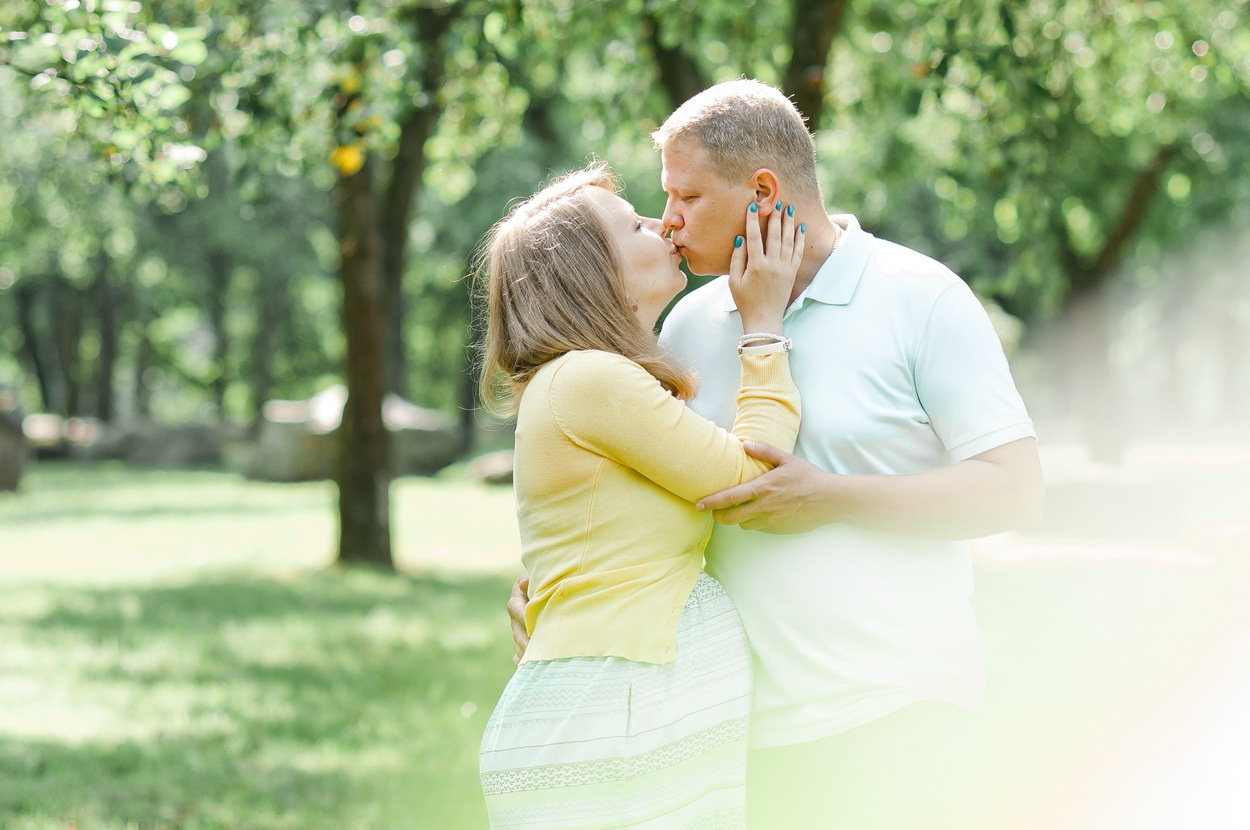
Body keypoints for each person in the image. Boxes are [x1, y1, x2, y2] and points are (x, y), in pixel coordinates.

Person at [509, 79, 1044, 829]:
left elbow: (1014, 491)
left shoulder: (921, 297)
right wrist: (557, 580)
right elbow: (641, 475)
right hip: (735, 732)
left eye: (687, 199)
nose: (667, 223)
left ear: (762, 190)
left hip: (900, 710)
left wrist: (832, 495)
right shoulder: (686, 326)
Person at [476, 161, 807, 829]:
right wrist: (764, 326)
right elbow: (752, 479)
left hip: (622, 704)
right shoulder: (590, 379)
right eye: (635, 224)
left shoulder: (591, 381)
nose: (663, 225)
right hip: (610, 712)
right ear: (591, 272)